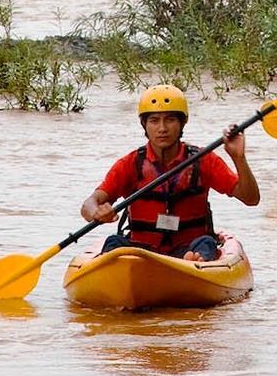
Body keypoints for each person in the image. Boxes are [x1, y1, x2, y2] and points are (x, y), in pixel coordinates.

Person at [79, 84, 259, 262]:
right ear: (144, 124)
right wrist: (97, 212)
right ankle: (132, 267)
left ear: (182, 123)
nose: (162, 128)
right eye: (154, 120)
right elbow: (89, 204)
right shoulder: (131, 164)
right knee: (114, 243)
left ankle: (194, 262)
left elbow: (251, 198)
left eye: (170, 119)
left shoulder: (204, 160)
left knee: (205, 244)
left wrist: (238, 158)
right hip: (140, 250)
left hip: (189, 246)